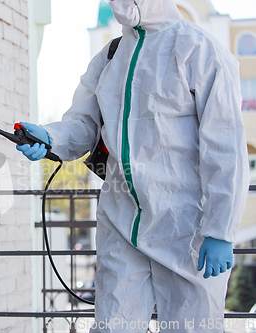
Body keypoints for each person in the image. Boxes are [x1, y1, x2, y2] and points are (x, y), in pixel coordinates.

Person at [17, 0, 250, 332]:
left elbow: (225, 147)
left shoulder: (199, 50)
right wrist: (51, 137)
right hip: (122, 221)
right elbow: (83, 124)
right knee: (113, 327)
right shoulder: (111, 56)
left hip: (186, 228)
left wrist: (220, 229)